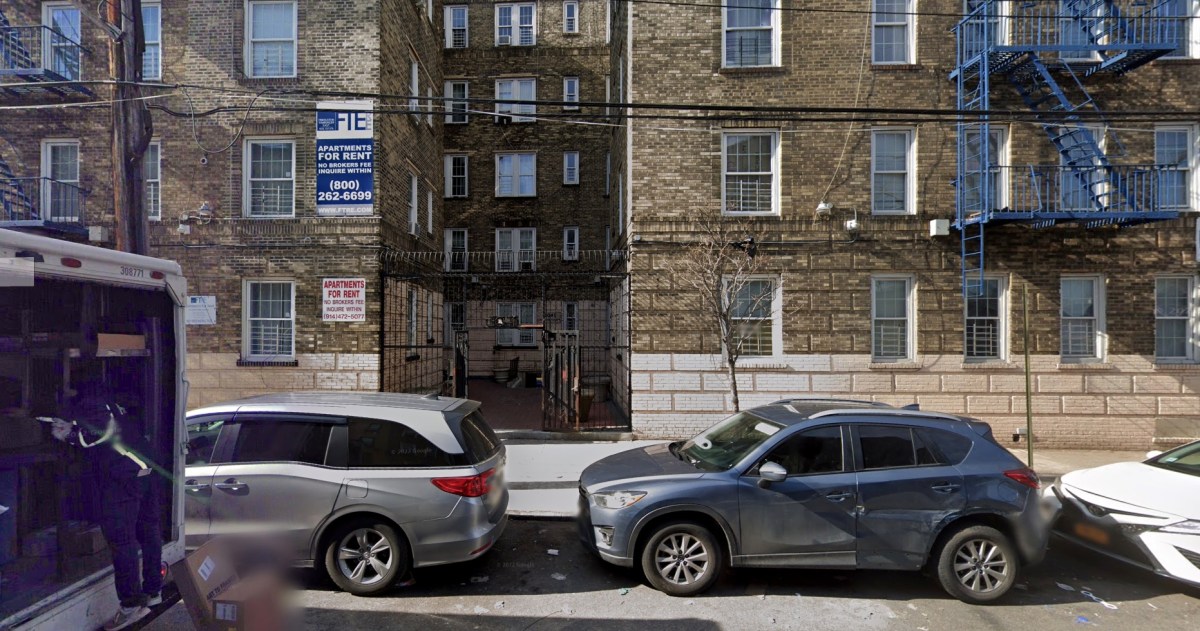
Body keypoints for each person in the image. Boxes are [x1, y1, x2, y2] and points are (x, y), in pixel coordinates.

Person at [46, 385, 163, 631]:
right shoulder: (111, 400)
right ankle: (153, 591)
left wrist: (68, 435)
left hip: (124, 474)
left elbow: (99, 433)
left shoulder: (88, 401)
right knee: (148, 530)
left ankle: (131, 605)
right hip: (146, 466)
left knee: (122, 539)